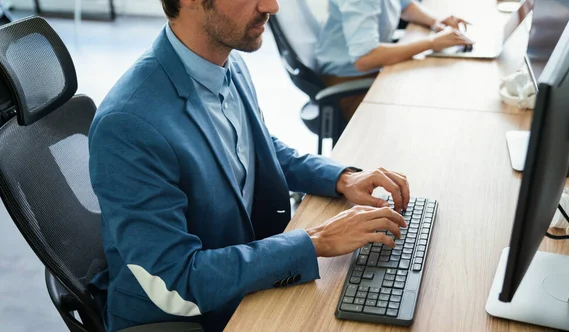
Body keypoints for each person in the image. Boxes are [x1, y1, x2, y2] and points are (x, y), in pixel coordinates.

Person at [87, 0, 411, 331]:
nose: (272, 6)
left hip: (240, 268)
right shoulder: (128, 123)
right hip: (185, 315)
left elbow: (256, 149)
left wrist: (342, 178)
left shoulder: (227, 62)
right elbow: (177, 283)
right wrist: (317, 240)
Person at [315, 0, 474, 120]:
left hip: (372, 70)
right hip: (348, 81)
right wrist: (431, 43)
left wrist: (435, 21)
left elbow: (404, 5)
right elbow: (365, 58)